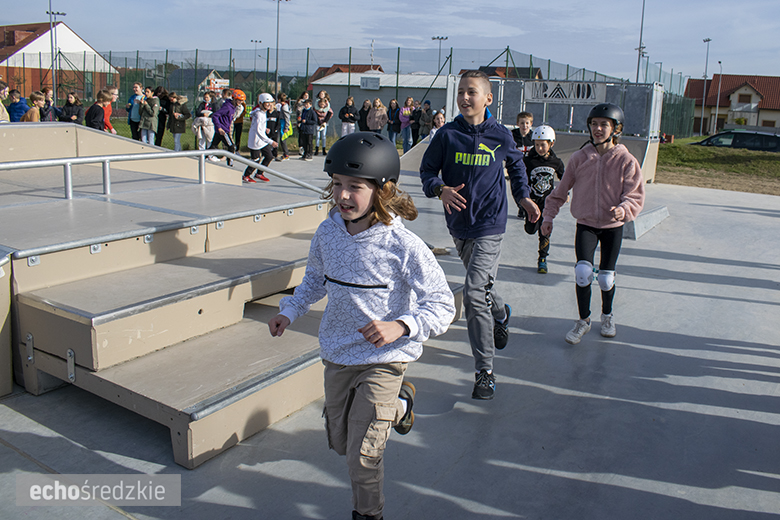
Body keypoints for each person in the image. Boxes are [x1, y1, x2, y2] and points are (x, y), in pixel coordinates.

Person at [268, 132, 455, 520]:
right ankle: (401, 403)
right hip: (337, 352)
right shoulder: (327, 233)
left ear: (383, 191)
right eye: (337, 185)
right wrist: (290, 310)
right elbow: (313, 281)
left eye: (355, 187)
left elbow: (442, 305)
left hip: (385, 358)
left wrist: (402, 326)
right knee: (340, 441)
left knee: (363, 456)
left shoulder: (403, 247)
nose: (343, 196)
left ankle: (368, 514)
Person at [420, 70, 540, 400]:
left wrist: (524, 196)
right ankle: (501, 313)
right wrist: (439, 189)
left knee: (473, 292)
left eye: (472, 92)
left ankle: (484, 371)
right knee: (483, 287)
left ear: (488, 99)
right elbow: (427, 171)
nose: (464, 97)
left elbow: (517, 167)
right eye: (461, 91)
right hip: (459, 224)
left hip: (490, 224)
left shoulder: (501, 135)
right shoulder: (446, 135)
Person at [540, 103, 645, 345]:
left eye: (604, 124)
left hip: (612, 226)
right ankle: (583, 321)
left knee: (606, 278)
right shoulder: (580, 158)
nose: (598, 129)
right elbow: (560, 191)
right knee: (583, 272)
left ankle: (607, 316)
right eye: (594, 124)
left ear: (615, 129)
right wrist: (548, 217)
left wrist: (624, 209)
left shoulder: (626, 160)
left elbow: (635, 194)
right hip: (586, 224)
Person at [521, 125, 565, 274]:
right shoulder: (528, 161)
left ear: (551, 144)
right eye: (537, 144)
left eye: (543, 145)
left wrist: (565, 192)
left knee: (544, 231)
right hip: (532, 202)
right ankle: (529, 222)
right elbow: (521, 178)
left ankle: (542, 259)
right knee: (530, 229)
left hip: (547, 203)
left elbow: (564, 179)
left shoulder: (556, 162)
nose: (540, 148)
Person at [243, 92, 276, 183]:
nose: (269, 105)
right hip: (256, 140)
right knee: (256, 160)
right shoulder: (259, 115)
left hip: (262, 141)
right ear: (261, 103)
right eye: (267, 103)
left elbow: (260, 127)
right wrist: (271, 141)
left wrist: (265, 128)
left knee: (269, 156)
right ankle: (246, 175)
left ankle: (259, 173)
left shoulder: (261, 112)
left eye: (270, 103)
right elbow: (258, 132)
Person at [208, 89, 245, 166]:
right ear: (234, 99)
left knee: (213, 147)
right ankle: (230, 165)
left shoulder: (233, 107)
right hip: (223, 131)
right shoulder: (228, 107)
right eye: (238, 100)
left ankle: (202, 158)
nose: (240, 103)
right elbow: (215, 116)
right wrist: (219, 128)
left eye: (241, 101)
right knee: (231, 147)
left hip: (224, 129)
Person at [276, 92, 292, 161]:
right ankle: (284, 153)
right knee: (280, 139)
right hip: (281, 122)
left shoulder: (285, 106)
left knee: (283, 140)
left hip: (284, 123)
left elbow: (287, 117)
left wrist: (286, 127)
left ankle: (286, 154)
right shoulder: (282, 106)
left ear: (279, 99)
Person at [295, 91, 311, 155]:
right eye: (305, 95)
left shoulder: (309, 103)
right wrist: (299, 120)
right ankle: (301, 148)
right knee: (301, 136)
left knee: (307, 137)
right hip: (301, 121)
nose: (306, 96)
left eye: (307, 95)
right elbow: (298, 112)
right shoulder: (300, 103)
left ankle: (306, 149)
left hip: (307, 122)